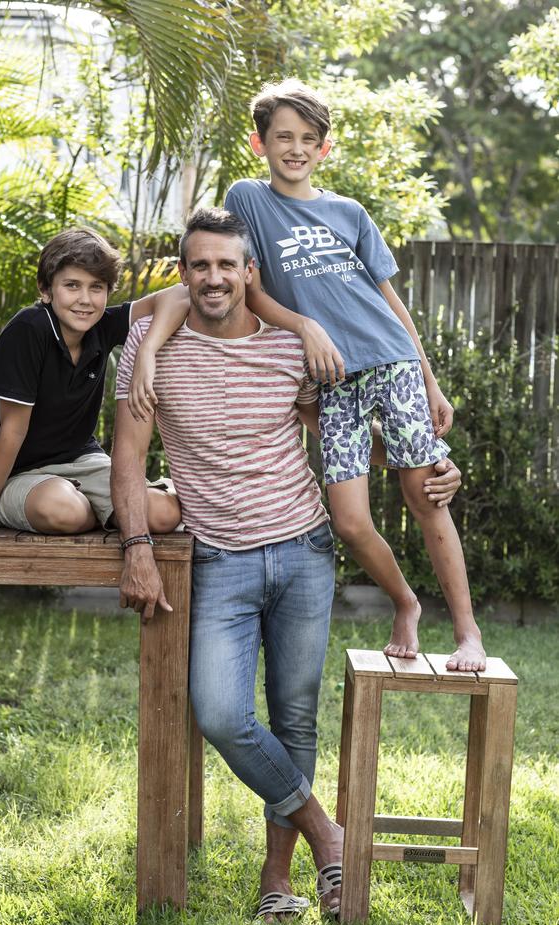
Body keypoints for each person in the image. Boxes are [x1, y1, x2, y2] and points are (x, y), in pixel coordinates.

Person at [111, 208, 462, 922]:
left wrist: (428, 461)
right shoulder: (152, 347)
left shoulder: (290, 348)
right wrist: (137, 549)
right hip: (220, 562)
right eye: (199, 265)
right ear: (185, 274)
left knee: (295, 719)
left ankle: (281, 881)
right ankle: (330, 836)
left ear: (250, 273)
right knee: (221, 712)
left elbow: (342, 447)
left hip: (304, 551)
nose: (213, 278)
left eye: (226, 265)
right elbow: (126, 459)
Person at [221, 80, 485, 672]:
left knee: (425, 494)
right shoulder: (249, 200)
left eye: (308, 139)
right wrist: (306, 327)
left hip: (392, 362)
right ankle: (405, 602)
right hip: (333, 380)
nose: (295, 149)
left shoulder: (349, 212)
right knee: (349, 520)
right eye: (283, 137)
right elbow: (252, 291)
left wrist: (430, 380)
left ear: (324, 149)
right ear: (259, 143)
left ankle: (468, 632)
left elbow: (390, 302)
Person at [0, 228, 184, 535]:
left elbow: (180, 294)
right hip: (17, 474)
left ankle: (101, 507)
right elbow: (12, 430)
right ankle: (102, 510)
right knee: (65, 511)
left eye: (97, 287)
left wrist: (147, 349)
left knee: (163, 515)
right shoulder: (28, 330)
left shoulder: (102, 327)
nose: (86, 300)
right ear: (46, 289)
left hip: (81, 462)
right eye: (72, 286)